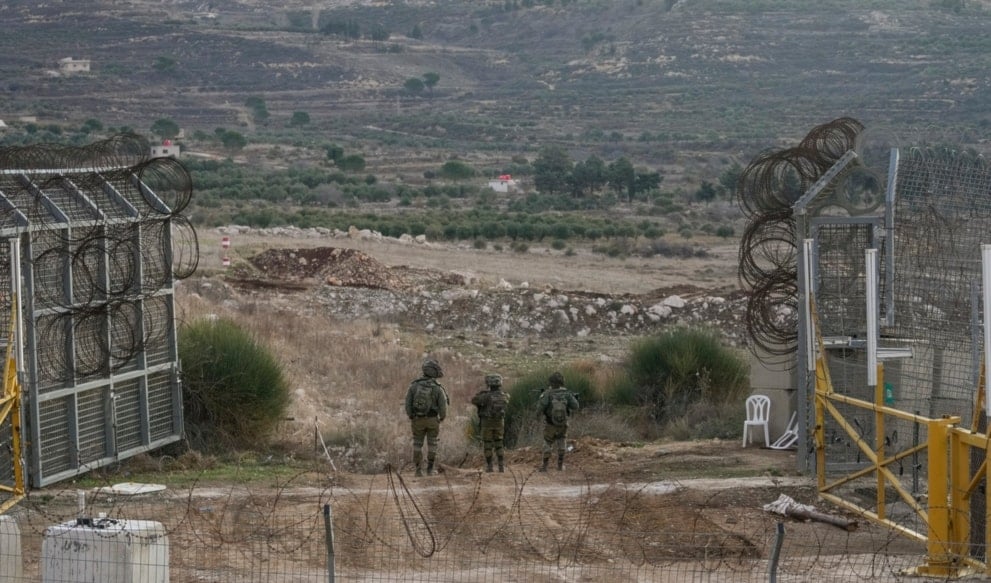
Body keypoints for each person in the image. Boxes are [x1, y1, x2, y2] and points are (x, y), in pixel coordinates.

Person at [405, 358, 449, 476]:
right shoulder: (438, 388)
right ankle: (430, 469)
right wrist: (442, 418)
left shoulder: (414, 385)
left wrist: (411, 415)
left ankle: (418, 470)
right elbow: (443, 406)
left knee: (417, 444)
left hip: (417, 420)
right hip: (432, 420)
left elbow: (407, 403)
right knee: (432, 444)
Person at [536, 371, 579, 472]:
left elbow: (540, 408)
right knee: (561, 441)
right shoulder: (567, 394)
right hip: (563, 423)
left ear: (551, 382)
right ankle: (560, 466)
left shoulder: (547, 394)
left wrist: (537, 416)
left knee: (547, 442)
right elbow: (576, 406)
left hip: (550, 423)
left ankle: (545, 466)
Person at [471, 373, 510, 473]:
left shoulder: (485, 396)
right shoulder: (505, 395)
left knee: (488, 444)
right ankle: (501, 466)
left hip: (487, 422)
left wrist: (482, 393)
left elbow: (474, 400)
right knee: (499, 443)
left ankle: (490, 467)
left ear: (489, 383)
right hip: (499, 422)